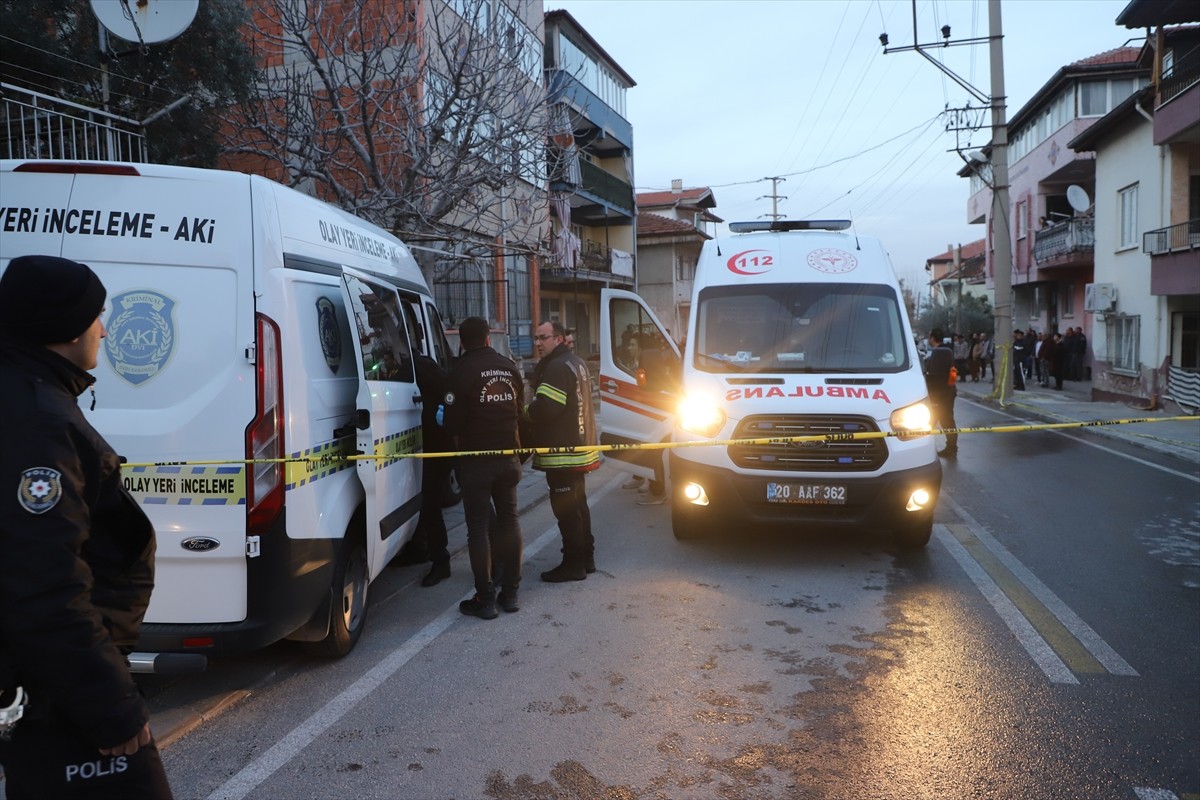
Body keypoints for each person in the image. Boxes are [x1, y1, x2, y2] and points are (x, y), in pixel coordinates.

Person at [0, 255, 174, 799]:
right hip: (57, 689)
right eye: (98, 314)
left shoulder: (28, 393)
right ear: (64, 326)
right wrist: (109, 705)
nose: (103, 328)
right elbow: (43, 581)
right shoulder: (38, 420)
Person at [441, 317, 524, 619]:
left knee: (478, 529)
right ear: (489, 338)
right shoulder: (509, 367)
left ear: (461, 342)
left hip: (476, 462)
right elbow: (521, 412)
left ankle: (485, 599)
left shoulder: (459, 372)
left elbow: (451, 423)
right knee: (510, 521)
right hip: (508, 458)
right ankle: (511, 594)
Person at [525, 320, 599, 582]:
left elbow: (545, 409)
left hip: (562, 452)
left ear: (557, 339)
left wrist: (524, 411)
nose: (537, 343)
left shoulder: (555, 367)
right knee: (579, 506)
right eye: (536, 338)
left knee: (566, 510)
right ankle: (586, 559)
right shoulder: (575, 361)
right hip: (579, 447)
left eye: (543, 338)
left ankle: (573, 565)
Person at [414, 343, 453, 587]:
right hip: (432, 443)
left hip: (441, 444)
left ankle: (441, 562)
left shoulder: (422, 365)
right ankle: (423, 551)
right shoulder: (414, 363)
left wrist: (442, 414)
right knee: (428, 505)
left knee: (431, 504)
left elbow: (449, 391)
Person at [924, 328, 958, 458]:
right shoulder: (946, 351)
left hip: (940, 393)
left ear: (932, 338)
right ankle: (951, 447)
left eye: (929, 336)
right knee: (939, 420)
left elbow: (933, 374)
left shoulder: (939, 352)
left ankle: (951, 448)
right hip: (945, 391)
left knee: (945, 420)